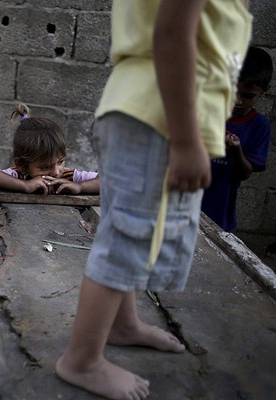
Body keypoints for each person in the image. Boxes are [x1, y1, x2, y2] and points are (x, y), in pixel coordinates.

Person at [55, 1, 252, 399]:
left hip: (144, 111)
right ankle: (82, 360)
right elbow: (172, 33)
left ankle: (122, 325)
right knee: (129, 235)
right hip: (158, 119)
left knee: (126, 230)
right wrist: (185, 140)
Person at [201, 46, 273, 232]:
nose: (238, 101)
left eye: (247, 96)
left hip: (217, 214)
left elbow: (245, 173)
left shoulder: (258, 125)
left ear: (265, 91)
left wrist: (235, 151)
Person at [0, 103, 99, 195]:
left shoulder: (68, 177)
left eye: (60, 162)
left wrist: (80, 187)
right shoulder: (18, 176)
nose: (56, 172)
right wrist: (25, 186)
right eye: (45, 167)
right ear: (21, 164)